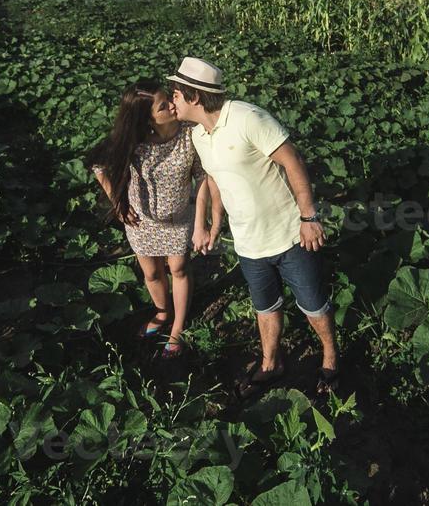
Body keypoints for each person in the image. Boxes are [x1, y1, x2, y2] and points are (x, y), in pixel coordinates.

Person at [166, 57, 341, 399]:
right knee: (265, 306)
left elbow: (293, 161)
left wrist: (308, 218)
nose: (172, 101)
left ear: (195, 97)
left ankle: (331, 359)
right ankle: (270, 362)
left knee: (313, 304)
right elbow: (215, 181)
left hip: (289, 235)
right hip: (248, 242)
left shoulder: (248, 117)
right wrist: (214, 225)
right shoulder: (200, 136)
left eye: (176, 94)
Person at [85, 80, 223, 359]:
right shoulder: (134, 141)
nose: (173, 105)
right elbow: (98, 165)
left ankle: (178, 328)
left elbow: (204, 178)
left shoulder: (189, 135)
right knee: (150, 273)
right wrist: (117, 204)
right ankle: (162, 313)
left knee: (179, 269)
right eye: (164, 106)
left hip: (179, 218)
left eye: (169, 99)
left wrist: (201, 222)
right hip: (141, 222)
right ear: (147, 117)